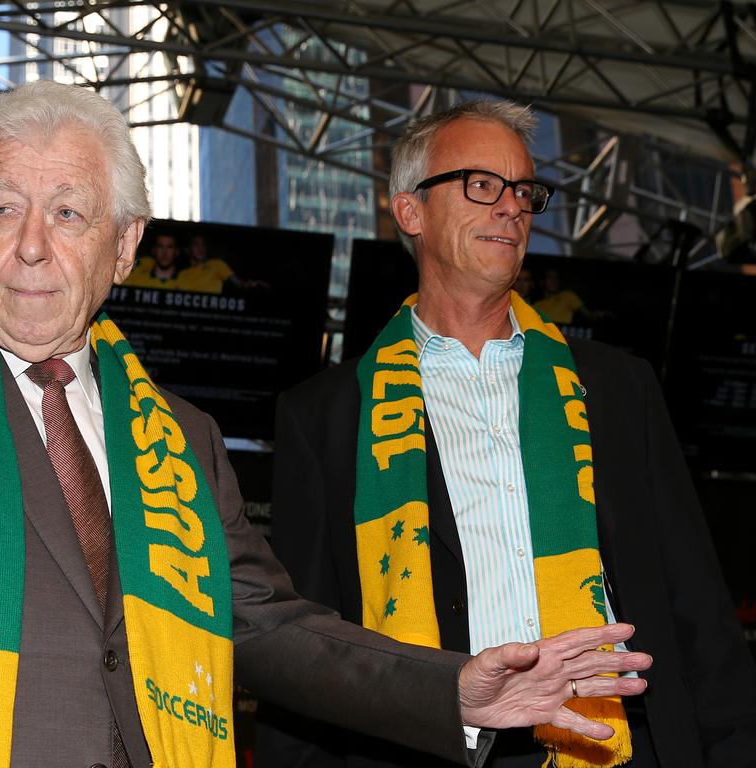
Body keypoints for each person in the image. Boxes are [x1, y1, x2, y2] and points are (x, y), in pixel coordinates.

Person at [0, 83, 651, 768]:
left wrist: (453, 687)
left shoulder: (181, 438)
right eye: (3, 209)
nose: (34, 244)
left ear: (124, 247)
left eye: (71, 213)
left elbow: (271, 626)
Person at [257, 101, 756, 768]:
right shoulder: (324, 415)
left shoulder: (615, 389)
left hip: (617, 743)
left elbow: (699, 609)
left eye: (523, 190)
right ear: (411, 211)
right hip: (429, 749)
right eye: (482, 184)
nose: (511, 207)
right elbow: (307, 650)